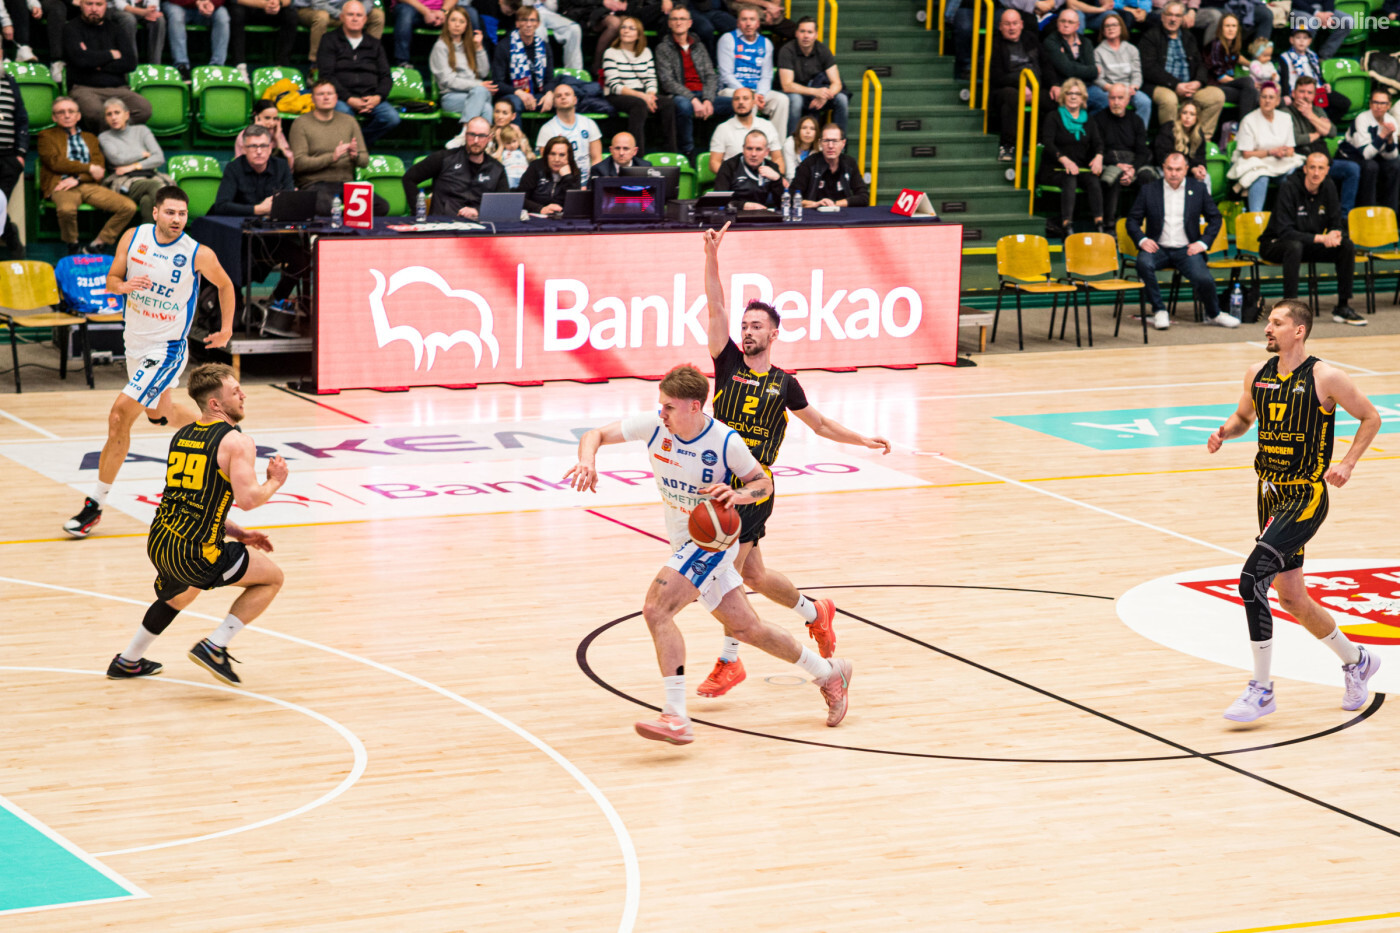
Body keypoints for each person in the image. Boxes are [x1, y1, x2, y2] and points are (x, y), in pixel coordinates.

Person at [565, 361, 854, 744]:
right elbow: (595, 434)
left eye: (669, 406)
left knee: (656, 610)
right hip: (684, 541)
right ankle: (830, 673)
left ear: (694, 407)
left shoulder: (724, 441)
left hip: (711, 542)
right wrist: (587, 460)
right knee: (748, 629)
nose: (662, 412)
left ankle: (675, 716)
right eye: (661, 405)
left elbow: (762, 484)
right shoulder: (654, 426)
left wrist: (737, 494)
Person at [693, 223, 887, 698]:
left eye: (756, 326)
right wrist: (712, 257)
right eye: (745, 327)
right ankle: (815, 612)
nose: (747, 332)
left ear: (774, 333)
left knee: (728, 576)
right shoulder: (727, 363)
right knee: (754, 575)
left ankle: (729, 661)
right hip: (720, 481)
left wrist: (862, 439)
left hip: (754, 488)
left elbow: (820, 425)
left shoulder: (786, 383)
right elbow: (715, 305)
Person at [1207, 298, 1381, 722]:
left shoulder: (1325, 377)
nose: (1268, 328)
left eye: (1277, 323)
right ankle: (1357, 660)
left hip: (1304, 497)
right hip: (1268, 494)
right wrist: (1226, 431)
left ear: (1298, 331)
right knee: (1293, 597)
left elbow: (1371, 417)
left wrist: (1347, 463)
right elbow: (1244, 417)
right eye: (1268, 322)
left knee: (1251, 580)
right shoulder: (1257, 373)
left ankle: (1262, 688)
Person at [64, 186, 235, 538]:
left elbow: (225, 285)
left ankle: (95, 505)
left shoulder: (197, 253)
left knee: (119, 415)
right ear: (155, 212)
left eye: (182, 214)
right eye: (170, 212)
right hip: (135, 343)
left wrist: (226, 330)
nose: (176, 219)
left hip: (167, 347)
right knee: (160, 414)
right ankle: (226, 432)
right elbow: (112, 280)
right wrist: (123, 287)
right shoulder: (134, 237)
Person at [106, 362, 289, 687]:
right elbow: (248, 499)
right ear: (216, 403)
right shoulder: (237, 441)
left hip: (160, 542)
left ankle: (128, 660)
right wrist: (275, 480)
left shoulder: (183, 435)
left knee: (181, 594)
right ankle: (215, 646)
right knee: (272, 578)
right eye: (235, 391)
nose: (243, 395)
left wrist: (239, 533)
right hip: (195, 552)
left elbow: (195, 503)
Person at [1128, 152, 1237, 330]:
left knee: (1204, 279)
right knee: (1143, 263)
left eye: (1178, 169)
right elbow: (1132, 220)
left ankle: (1214, 314)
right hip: (1158, 248)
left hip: (1186, 249)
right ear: (1163, 168)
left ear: (1186, 169)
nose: (1173, 173)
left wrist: (1202, 243)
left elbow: (1215, 218)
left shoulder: (1198, 189)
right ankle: (1159, 310)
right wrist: (1142, 240)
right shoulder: (1149, 190)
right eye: (1169, 169)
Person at [1258, 151, 1364, 324]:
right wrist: (1321, 238)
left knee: (1346, 245)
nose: (1316, 172)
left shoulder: (1328, 186)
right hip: (1275, 244)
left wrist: (1335, 233)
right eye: (1312, 167)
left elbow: (1336, 221)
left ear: (1327, 170)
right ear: (1305, 169)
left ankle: (1343, 306)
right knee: (1294, 246)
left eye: (1321, 168)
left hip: (1306, 244)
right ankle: (1289, 310)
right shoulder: (1289, 187)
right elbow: (1285, 231)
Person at [210, 124, 308, 303]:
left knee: (302, 259)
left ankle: (275, 301)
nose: (259, 151)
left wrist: (279, 208)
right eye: (253, 146)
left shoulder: (281, 166)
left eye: (263, 146)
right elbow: (221, 206)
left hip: (273, 237)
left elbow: (289, 202)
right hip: (242, 240)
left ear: (270, 148)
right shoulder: (234, 168)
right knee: (236, 269)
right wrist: (257, 210)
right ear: (244, 149)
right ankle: (236, 308)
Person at [38, 96, 136, 255]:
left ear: (78, 116)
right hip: (61, 185)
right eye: (61, 112)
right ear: (54, 117)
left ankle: (99, 243)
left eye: (71, 111)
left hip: (88, 184)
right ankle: (73, 245)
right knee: (66, 210)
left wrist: (78, 178)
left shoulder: (90, 138)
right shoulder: (46, 136)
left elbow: (100, 168)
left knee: (128, 207)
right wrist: (89, 167)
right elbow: (56, 163)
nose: (67, 115)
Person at [289, 81, 388, 216]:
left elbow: (364, 161)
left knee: (381, 206)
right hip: (315, 183)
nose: (326, 97)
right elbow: (299, 163)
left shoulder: (349, 121)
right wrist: (332, 157)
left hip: (346, 183)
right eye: (321, 94)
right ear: (312, 98)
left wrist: (355, 156)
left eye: (329, 94)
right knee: (325, 207)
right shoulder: (301, 123)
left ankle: (351, 228)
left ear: (336, 98)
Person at [318, 0, 400, 144]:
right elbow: (326, 75)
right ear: (342, 17)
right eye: (350, 14)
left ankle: (358, 144)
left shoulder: (374, 44)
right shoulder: (329, 40)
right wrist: (349, 98)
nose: (355, 18)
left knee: (391, 118)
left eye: (359, 15)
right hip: (341, 97)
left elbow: (386, 76)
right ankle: (354, 147)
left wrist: (378, 97)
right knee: (344, 114)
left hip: (370, 97)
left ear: (365, 19)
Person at [1140, 1, 1226, 140]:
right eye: (1170, 15)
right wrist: (1176, 85)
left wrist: (1198, 82)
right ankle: (1172, 141)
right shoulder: (1151, 36)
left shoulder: (1188, 37)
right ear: (1162, 16)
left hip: (1188, 87)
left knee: (1216, 96)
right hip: (1161, 86)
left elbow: (1201, 64)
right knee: (1169, 100)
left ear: (1182, 19)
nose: (1173, 19)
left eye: (1177, 16)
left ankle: (1200, 140)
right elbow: (1149, 68)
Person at [655, 3, 731, 159]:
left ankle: (726, 149)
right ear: (669, 23)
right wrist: (693, 99)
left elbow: (710, 75)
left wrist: (708, 99)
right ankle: (688, 152)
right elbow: (667, 82)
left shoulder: (699, 46)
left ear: (690, 23)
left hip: (704, 94)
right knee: (683, 105)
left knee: (736, 104)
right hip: (681, 96)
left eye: (682, 19)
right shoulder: (663, 48)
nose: (678, 22)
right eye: (674, 19)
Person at [64, 0, 153, 129]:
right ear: (81, 5)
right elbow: (80, 60)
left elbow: (130, 63)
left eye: (99, 4)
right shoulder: (71, 28)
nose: (94, 9)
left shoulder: (117, 29)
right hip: (85, 88)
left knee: (144, 109)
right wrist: (110, 54)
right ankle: (114, 137)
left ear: (106, 5)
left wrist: (94, 61)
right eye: (89, 4)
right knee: (96, 113)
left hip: (119, 89)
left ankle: (116, 135)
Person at [402, 115, 508, 217]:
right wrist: (419, 213)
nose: (476, 141)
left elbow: (504, 204)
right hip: (441, 224)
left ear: (489, 138)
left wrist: (478, 212)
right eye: (472, 135)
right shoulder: (444, 158)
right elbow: (409, 178)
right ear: (465, 135)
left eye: (481, 136)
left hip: (479, 226)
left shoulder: (497, 169)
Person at [602, 15, 675, 155]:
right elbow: (614, 85)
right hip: (618, 94)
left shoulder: (646, 52)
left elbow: (651, 79)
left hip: (642, 93)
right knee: (639, 105)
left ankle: (671, 152)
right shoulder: (610, 53)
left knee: (668, 103)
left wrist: (650, 95)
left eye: (631, 28)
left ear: (638, 34)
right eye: (623, 27)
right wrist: (642, 96)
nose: (626, 31)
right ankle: (637, 156)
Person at [1040, 77, 1104, 237]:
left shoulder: (1089, 119)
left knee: (1093, 179)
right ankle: (1067, 225)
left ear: (1083, 98)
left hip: (1078, 168)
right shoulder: (1053, 117)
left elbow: (1098, 142)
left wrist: (1099, 157)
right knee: (1070, 178)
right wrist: (1064, 160)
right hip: (1054, 169)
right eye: (1069, 93)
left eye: (1077, 94)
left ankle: (1100, 224)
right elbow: (1048, 143)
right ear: (1064, 96)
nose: (1073, 97)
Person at [1286, 77, 1357, 214]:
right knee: (1319, 175)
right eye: (1301, 91)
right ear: (1293, 93)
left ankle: (1344, 216)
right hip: (1301, 163)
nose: (1305, 96)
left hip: (1324, 160)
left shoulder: (1317, 110)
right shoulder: (1286, 112)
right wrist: (1319, 131)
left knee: (1352, 169)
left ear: (1314, 95)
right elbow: (1296, 139)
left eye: (1309, 93)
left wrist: (1310, 115)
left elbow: (1332, 132)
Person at [716, 6, 788, 142]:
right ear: (738, 23)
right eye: (744, 19)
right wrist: (749, 95)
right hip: (731, 90)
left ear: (758, 23)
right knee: (748, 101)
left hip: (757, 91)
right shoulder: (728, 39)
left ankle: (776, 147)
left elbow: (766, 76)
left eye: (752, 19)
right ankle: (749, 146)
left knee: (781, 100)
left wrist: (760, 94)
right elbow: (726, 75)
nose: (748, 23)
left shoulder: (765, 43)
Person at [1229, 82, 1302, 212]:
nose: (1267, 100)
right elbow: (1246, 153)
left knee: (1293, 173)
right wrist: (1270, 152)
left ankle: (1287, 213)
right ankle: (1255, 216)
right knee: (1260, 176)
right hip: (1256, 162)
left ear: (1277, 101)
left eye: (1271, 97)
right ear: (1259, 99)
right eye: (1264, 97)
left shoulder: (1286, 118)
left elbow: (1291, 149)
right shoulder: (1249, 120)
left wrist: (1283, 152)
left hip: (1279, 162)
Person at [1092, 83, 1156, 228]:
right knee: (1113, 175)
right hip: (1109, 162)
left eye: (1120, 98)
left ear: (1127, 100)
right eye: (1112, 98)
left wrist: (1132, 169)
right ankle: (1109, 224)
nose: (1116, 102)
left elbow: (1142, 151)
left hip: (1132, 163)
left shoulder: (1137, 121)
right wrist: (1117, 165)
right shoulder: (1098, 119)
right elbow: (1096, 150)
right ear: (1108, 99)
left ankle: (1143, 223)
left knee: (1147, 176)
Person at [97, 96, 166, 227]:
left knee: (147, 201)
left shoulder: (142, 130)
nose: (113, 117)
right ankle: (164, 233)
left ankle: (147, 237)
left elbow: (158, 157)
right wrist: (142, 154)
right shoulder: (104, 137)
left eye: (117, 113)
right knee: (155, 186)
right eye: (109, 114)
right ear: (105, 118)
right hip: (124, 181)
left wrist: (133, 166)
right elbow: (117, 159)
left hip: (147, 175)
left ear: (126, 115)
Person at [990, 7, 1045, 162]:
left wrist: (1054, 84)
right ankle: (1008, 146)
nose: (1012, 28)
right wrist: (1022, 85)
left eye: (1015, 23)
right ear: (1000, 26)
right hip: (1007, 89)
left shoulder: (1030, 39)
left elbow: (1046, 64)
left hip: (1034, 87)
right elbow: (997, 76)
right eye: (1007, 24)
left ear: (1021, 24)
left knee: (1053, 97)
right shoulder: (995, 43)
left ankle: (1038, 144)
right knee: (1012, 97)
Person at [775, 14, 845, 134]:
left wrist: (825, 96)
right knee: (796, 100)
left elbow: (837, 83)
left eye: (810, 32)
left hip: (817, 94)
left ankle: (840, 141)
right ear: (796, 33)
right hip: (792, 93)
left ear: (816, 35)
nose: (806, 36)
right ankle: (793, 141)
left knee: (841, 99)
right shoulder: (787, 50)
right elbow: (787, 86)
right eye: (802, 31)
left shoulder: (823, 50)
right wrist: (815, 92)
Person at [430, 7, 496, 125]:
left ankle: (467, 132)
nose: (457, 25)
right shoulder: (441, 46)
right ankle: (469, 131)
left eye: (461, 21)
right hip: (451, 97)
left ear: (466, 26)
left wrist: (479, 48)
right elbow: (447, 81)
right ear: (447, 23)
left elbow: (483, 72)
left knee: (486, 107)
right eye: (453, 20)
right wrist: (477, 85)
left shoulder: (470, 45)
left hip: (474, 93)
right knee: (483, 97)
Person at [491, 6, 557, 121]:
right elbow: (498, 82)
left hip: (537, 95)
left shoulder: (544, 47)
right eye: (524, 20)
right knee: (513, 104)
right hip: (512, 95)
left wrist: (549, 93)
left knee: (560, 100)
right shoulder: (504, 46)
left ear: (538, 24)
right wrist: (519, 93)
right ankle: (515, 133)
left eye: (532, 20)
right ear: (517, 23)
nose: (528, 24)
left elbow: (550, 79)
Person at [1338, 88, 1400, 211]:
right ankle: (1368, 210)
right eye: (1375, 102)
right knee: (1371, 166)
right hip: (1352, 156)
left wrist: (1389, 140)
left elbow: (1391, 156)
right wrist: (1383, 135)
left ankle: (1391, 211)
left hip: (1376, 156)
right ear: (1370, 104)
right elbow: (1366, 154)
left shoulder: (1391, 120)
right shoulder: (1362, 119)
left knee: (1395, 165)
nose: (1379, 106)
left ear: (1389, 105)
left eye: (1383, 103)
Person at [533, 83, 602, 185]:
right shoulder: (547, 129)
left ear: (575, 99)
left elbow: (597, 159)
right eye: (559, 96)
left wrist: (591, 183)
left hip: (587, 183)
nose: (563, 97)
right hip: (560, 184)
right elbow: (547, 164)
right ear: (554, 102)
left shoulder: (589, 123)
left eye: (567, 94)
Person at [1278, 27, 1348, 125]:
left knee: (1344, 102)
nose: (1302, 41)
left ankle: (1324, 124)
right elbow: (1284, 78)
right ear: (1291, 40)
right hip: (1298, 93)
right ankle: (1314, 124)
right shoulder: (1285, 57)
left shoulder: (1312, 55)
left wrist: (1324, 83)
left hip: (1317, 91)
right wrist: (1285, 95)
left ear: (1310, 41)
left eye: (1305, 38)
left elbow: (1318, 74)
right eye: (1298, 38)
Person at [707, 85, 782, 175]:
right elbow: (714, 163)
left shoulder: (767, 125)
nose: (741, 102)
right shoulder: (722, 129)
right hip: (734, 179)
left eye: (745, 98)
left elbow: (778, 158)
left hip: (764, 179)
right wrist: (731, 177)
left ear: (753, 102)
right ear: (732, 103)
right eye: (736, 99)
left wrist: (776, 176)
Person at [1044, 8, 1106, 114]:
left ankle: (1088, 123)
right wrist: (1094, 70)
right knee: (1072, 101)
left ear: (1077, 26)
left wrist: (1086, 71)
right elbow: (1067, 69)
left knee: (1104, 100)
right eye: (1062, 21)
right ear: (1057, 23)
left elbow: (1088, 71)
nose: (1066, 25)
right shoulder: (1051, 42)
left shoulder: (1086, 42)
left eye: (1070, 22)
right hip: (1064, 87)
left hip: (1085, 86)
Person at [1094, 13, 1150, 131]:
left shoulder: (1132, 49)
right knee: (1108, 102)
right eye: (1107, 26)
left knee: (1145, 102)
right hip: (1109, 89)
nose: (1111, 28)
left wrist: (1134, 87)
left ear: (1121, 28)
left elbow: (1137, 73)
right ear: (1103, 31)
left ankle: (1138, 134)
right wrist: (1112, 89)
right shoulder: (1098, 51)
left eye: (1114, 25)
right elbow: (1098, 79)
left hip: (1129, 89)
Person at [790, 122, 867, 208]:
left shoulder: (850, 163)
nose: (830, 146)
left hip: (843, 214)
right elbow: (792, 197)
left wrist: (834, 204)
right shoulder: (809, 164)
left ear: (843, 143)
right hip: (814, 214)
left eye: (835, 141)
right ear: (820, 143)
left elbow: (863, 197)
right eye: (826, 141)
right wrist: (816, 204)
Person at [295, 0, 385, 68]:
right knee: (321, 17)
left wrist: (358, 14)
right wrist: (342, 15)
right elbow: (318, 4)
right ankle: (316, 64)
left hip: (347, 12)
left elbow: (368, 1)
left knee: (377, 15)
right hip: (312, 9)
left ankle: (367, 60)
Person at [713, 128, 785, 209]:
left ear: (767, 152)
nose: (753, 154)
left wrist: (777, 180)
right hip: (735, 213)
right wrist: (743, 205)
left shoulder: (772, 167)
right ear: (743, 149)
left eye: (758, 149)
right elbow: (718, 201)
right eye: (749, 148)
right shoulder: (728, 166)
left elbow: (782, 204)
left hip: (763, 213)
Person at [0, 54, 28, 257]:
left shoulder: (9, 81)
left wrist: (20, 153)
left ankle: (10, 237)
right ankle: (11, 236)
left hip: (8, 158)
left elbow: (21, 118)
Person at [1204, 13, 1258, 119]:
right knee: (1248, 83)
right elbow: (1220, 77)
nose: (1231, 29)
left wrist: (1252, 64)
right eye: (1227, 26)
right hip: (1215, 87)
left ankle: (1245, 125)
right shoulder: (1216, 45)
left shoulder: (1232, 45)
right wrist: (1241, 83)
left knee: (1252, 93)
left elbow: (1237, 57)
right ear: (1221, 28)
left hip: (1228, 87)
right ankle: (1245, 125)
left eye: (1234, 26)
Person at [162, 0, 230, 80]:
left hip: (206, 5)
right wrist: (197, 2)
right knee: (176, 16)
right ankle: (181, 66)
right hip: (177, 4)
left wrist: (210, 2)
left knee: (222, 16)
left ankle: (217, 67)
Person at [1153, 99, 1210, 190]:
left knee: (1206, 177)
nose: (1187, 117)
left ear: (1197, 118)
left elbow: (1201, 157)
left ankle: (1204, 200)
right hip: (1168, 169)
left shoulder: (1199, 134)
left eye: (1192, 114)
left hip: (1188, 170)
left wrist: (1201, 168)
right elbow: (1163, 158)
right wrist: (1192, 169)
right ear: (1179, 114)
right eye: (1184, 113)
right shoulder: (1168, 128)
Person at [516, 134, 580, 212]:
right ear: (547, 155)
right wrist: (540, 209)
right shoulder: (536, 167)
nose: (556, 159)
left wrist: (567, 177)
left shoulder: (574, 171)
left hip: (562, 216)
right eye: (552, 154)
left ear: (569, 157)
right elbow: (520, 198)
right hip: (535, 215)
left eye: (562, 155)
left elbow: (576, 204)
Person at [229, 0, 298, 73]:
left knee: (290, 14)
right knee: (236, 11)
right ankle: (240, 66)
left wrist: (279, 3)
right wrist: (263, 4)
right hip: (248, 9)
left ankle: (282, 66)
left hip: (273, 10)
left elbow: (289, 1)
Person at [391, 0, 457, 66]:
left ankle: (456, 61)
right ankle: (402, 62)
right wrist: (426, 12)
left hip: (440, 12)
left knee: (460, 13)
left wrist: (443, 11)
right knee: (405, 12)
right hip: (412, 8)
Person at [234, 99, 295, 167]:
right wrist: (256, 134)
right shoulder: (244, 136)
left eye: (275, 118)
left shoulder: (276, 133)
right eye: (267, 118)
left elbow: (290, 165)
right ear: (256, 116)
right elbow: (245, 166)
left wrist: (278, 140)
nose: (271, 123)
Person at [781, 112, 819, 181]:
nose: (808, 132)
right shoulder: (789, 144)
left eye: (812, 129)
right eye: (804, 128)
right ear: (798, 130)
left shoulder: (820, 148)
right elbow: (790, 175)